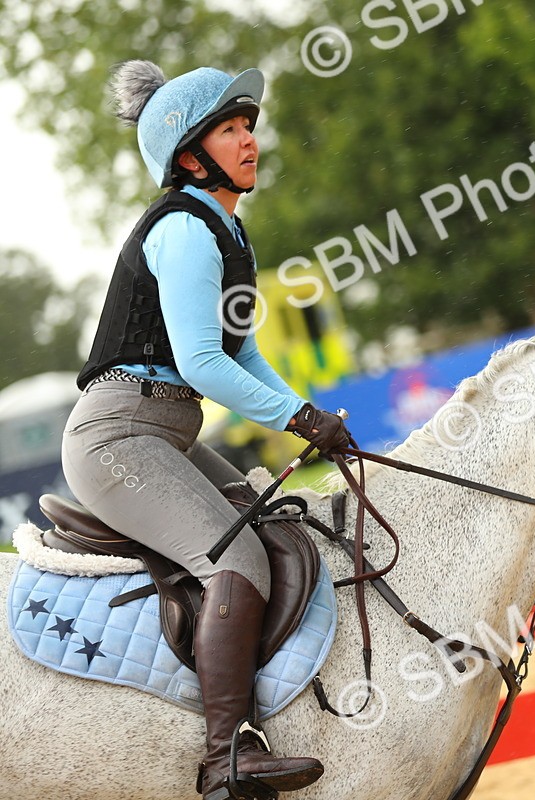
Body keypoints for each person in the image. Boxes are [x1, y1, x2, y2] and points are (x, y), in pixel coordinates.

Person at [61, 60, 350, 800]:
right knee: (240, 559)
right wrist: (299, 418)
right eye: (230, 129)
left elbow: (243, 352)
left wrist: (308, 419)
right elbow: (200, 361)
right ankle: (227, 757)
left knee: (277, 517)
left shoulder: (229, 232)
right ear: (189, 155)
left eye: (249, 126)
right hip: (119, 437)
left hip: (165, 431)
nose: (250, 140)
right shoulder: (186, 229)